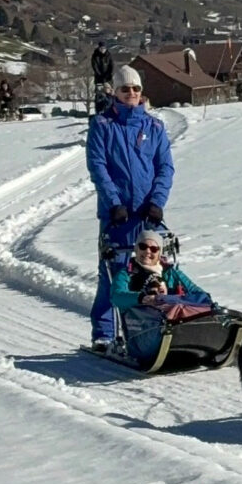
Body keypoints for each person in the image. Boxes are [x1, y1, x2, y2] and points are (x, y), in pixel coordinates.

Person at [85, 67, 173, 350]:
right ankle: (105, 333)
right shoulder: (102, 125)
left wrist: (157, 202)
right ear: (116, 92)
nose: (131, 93)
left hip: (148, 214)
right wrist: (115, 203)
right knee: (115, 274)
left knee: (156, 273)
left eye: (136, 88)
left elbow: (165, 168)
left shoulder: (154, 127)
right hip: (118, 215)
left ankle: (154, 328)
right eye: (125, 89)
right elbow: (98, 168)